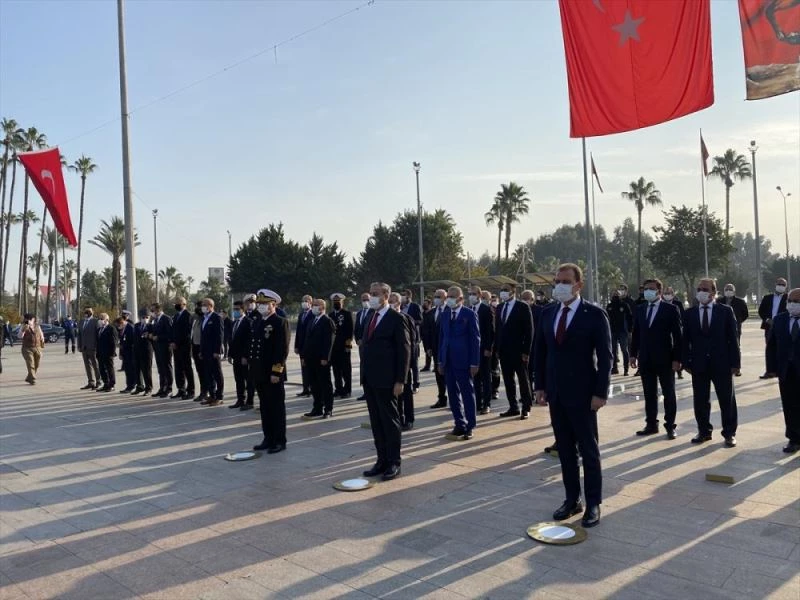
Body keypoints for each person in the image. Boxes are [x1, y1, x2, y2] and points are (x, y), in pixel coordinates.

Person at [534, 263, 611, 528]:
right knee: (565, 450)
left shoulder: (594, 315)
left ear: (579, 285)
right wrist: (540, 386)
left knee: (589, 450)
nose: (560, 286)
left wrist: (600, 393)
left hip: (584, 395)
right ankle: (572, 499)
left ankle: (593, 503)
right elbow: (540, 352)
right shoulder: (548, 313)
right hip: (556, 393)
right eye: (557, 281)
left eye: (565, 281)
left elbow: (606, 357)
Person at [361, 282, 411, 481]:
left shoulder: (396, 318)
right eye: (371, 293)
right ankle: (381, 460)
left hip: (387, 380)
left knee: (390, 422)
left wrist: (400, 380)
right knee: (376, 422)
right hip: (370, 379)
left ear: (386, 296)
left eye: (375, 294)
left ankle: (393, 462)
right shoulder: (370, 316)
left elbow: (404, 350)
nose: (371, 297)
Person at [683, 278, 741, 447]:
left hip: (722, 363)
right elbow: (685, 340)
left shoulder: (725, 311)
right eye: (699, 289)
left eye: (705, 289)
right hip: (699, 364)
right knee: (700, 400)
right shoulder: (690, 313)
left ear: (714, 292)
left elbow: (733, 338)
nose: (701, 292)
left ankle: (729, 433)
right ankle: (703, 431)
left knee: (726, 400)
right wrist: (686, 362)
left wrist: (735, 363)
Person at [629, 278, 683, 439]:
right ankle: (651, 424)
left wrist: (677, 358)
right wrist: (633, 354)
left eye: (651, 289)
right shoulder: (640, 309)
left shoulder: (670, 309)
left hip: (665, 359)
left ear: (659, 291)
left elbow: (678, 336)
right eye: (646, 289)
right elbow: (636, 333)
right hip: (646, 358)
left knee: (668, 393)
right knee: (649, 393)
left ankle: (670, 426)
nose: (648, 291)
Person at [248, 289, 291, 453]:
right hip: (259, 372)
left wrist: (276, 372)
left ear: (273, 305)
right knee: (265, 407)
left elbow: (282, 350)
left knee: (276, 408)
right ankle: (268, 438)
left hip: (272, 373)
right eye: (259, 304)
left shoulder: (280, 322)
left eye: (265, 304)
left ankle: (279, 441)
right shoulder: (258, 322)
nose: (261, 306)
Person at [439, 286, 480, 440]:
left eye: (452, 296)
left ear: (460, 299)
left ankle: (470, 425)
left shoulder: (469, 314)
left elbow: (475, 339)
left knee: (467, 393)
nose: (449, 299)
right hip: (448, 360)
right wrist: (440, 360)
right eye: (448, 296)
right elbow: (442, 338)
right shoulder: (445, 314)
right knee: (452, 393)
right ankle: (459, 423)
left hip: (464, 360)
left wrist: (474, 362)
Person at [766, 288, 800, 453]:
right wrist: (771, 368)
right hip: (786, 371)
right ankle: (794, 438)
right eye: (790, 301)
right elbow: (771, 346)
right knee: (789, 405)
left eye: (796, 301)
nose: (792, 304)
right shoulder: (779, 319)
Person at [495, 282, 534, 420]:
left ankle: (526, 407)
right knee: (508, 380)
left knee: (523, 380)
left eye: (506, 290)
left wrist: (526, 351)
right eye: (501, 289)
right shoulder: (500, 307)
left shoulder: (522, 307)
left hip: (519, 351)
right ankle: (513, 407)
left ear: (513, 291)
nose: (503, 292)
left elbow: (529, 331)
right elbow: (498, 329)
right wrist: (497, 349)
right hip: (504, 351)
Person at [302, 298, 335, 418]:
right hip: (311, 359)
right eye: (313, 305)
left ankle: (328, 409)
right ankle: (317, 408)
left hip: (321, 359)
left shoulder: (327, 321)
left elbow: (329, 341)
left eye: (316, 305)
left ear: (323, 307)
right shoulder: (312, 320)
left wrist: (325, 357)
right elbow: (307, 340)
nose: (314, 307)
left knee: (325, 385)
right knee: (314, 385)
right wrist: (304, 357)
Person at [390, 292, 416, 430]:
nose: (390, 304)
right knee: (395, 394)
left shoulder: (406, 318)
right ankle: (398, 417)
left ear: (399, 303)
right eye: (389, 301)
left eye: (393, 301)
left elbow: (412, 342)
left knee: (406, 393)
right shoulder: (387, 318)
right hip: (390, 364)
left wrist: (410, 363)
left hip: (404, 363)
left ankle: (409, 418)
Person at [469, 286, 494, 415]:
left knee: (485, 377)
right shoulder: (468, 309)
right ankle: (477, 403)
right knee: (475, 377)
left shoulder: (486, 309)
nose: (471, 296)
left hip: (484, 349)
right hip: (472, 350)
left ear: (479, 295)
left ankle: (487, 404)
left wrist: (488, 348)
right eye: (470, 294)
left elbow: (490, 330)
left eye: (473, 294)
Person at [422, 289, 448, 409]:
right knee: (439, 374)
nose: (436, 299)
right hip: (436, 349)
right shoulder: (430, 313)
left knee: (451, 375)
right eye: (435, 296)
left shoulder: (450, 311)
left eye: (439, 297)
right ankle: (442, 398)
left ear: (445, 298)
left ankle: (455, 398)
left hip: (449, 349)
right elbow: (426, 331)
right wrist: (427, 347)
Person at [759, 277, 788, 379]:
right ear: (775, 285)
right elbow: (761, 311)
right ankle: (770, 371)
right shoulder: (767, 298)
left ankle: (782, 370)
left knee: (782, 349)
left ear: (786, 287)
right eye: (779, 284)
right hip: (769, 326)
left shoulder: (788, 298)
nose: (781, 286)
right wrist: (767, 320)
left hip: (783, 327)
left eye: (783, 285)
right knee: (770, 348)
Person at [199, 297, 225, 406]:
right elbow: (203, 337)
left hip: (214, 352)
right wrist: (201, 351)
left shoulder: (217, 318)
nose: (202, 307)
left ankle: (219, 397)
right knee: (208, 374)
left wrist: (217, 351)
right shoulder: (204, 318)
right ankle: (212, 395)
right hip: (205, 352)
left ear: (210, 306)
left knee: (217, 374)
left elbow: (219, 336)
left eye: (204, 305)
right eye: (202, 305)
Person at [329, 292, 354, 399]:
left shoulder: (347, 314)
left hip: (344, 347)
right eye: (335, 302)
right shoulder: (330, 315)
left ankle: (347, 390)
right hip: (334, 347)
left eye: (338, 301)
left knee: (346, 370)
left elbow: (350, 331)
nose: (336, 303)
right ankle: (338, 389)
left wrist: (347, 346)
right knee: (336, 370)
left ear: (342, 302)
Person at [170, 296, 195, 400]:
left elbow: (187, 333)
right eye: (175, 303)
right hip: (176, 347)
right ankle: (181, 389)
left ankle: (191, 391)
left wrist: (177, 342)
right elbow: (173, 330)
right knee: (178, 368)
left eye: (178, 303)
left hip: (185, 346)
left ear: (184, 304)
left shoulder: (188, 315)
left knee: (187, 368)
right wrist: (172, 342)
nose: (176, 305)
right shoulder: (176, 316)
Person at [150, 303, 174, 398]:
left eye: (153, 310)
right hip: (157, 347)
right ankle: (162, 388)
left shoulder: (166, 319)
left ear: (158, 310)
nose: (152, 312)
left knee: (166, 368)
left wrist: (158, 337)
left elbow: (170, 334)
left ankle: (169, 388)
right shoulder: (155, 320)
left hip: (165, 347)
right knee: (161, 369)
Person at [401, 289, 423, 391]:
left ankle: (416, 384)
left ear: (409, 296)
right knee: (406, 362)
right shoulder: (401, 307)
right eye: (401, 295)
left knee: (414, 363)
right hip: (403, 338)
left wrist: (409, 322)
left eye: (404, 295)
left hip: (413, 338)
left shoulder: (415, 306)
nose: (402, 297)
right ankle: (407, 384)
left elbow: (420, 320)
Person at [606, 291, 633, 376]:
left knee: (624, 350)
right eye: (614, 294)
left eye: (617, 294)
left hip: (623, 331)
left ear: (620, 295)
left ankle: (626, 369)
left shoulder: (624, 305)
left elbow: (630, 317)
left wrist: (630, 330)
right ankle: (614, 368)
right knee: (613, 351)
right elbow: (606, 319)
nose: (615, 295)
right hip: (612, 331)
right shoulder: (609, 306)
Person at [294, 294, 314, 398]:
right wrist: (296, 345)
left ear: (311, 302)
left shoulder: (313, 314)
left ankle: (311, 388)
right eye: (303, 300)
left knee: (310, 367)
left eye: (306, 301)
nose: (304, 302)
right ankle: (305, 388)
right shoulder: (301, 315)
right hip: (302, 346)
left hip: (309, 346)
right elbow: (298, 331)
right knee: (304, 367)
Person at [353, 292, 372, 400]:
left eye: (367, 299)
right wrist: (357, 339)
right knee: (363, 368)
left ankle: (371, 392)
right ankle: (366, 392)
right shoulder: (359, 313)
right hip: (361, 346)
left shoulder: (373, 312)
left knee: (371, 368)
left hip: (370, 345)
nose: (365, 302)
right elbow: (356, 328)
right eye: (363, 300)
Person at [77, 307, 101, 390]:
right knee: (87, 366)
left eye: (89, 311)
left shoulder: (95, 321)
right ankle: (91, 382)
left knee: (95, 365)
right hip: (84, 347)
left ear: (92, 312)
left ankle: (98, 381)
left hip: (93, 347)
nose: (87, 313)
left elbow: (98, 335)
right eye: (86, 311)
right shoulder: (81, 322)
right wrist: (79, 345)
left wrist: (97, 346)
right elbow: (79, 334)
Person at [131, 308, 153, 396]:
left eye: (147, 317)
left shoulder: (151, 326)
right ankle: (139, 386)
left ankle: (148, 388)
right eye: (143, 317)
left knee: (146, 370)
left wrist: (149, 335)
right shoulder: (136, 325)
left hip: (147, 351)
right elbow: (134, 337)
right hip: (137, 350)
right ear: (140, 317)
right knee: (137, 369)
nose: (145, 319)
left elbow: (152, 338)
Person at [190, 301, 208, 402]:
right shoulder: (195, 319)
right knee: (200, 371)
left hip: (202, 347)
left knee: (205, 371)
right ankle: (203, 391)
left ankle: (206, 392)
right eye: (197, 307)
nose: (198, 309)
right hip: (195, 346)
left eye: (200, 307)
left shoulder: (205, 319)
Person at [96, 313, 118, 392]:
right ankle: (106, 383)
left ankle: (112, 385)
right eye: (99, 319)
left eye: (102, 319)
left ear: (107, 320)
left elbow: (114, 342)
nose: (100, 320)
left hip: (108, 353)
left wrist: (112, 353)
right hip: (100, 353)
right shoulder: (99, 329)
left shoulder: (111, 328)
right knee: (102, 369)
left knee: (109, 369)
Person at [20, 313, 45, 384]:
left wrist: (42, 339)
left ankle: (29, 377)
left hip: (37, 347)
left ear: (33, 319)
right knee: (30, 363)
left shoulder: (37, 326)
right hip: (27, 348)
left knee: (37, 364)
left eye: (29, 320)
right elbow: (19, 336)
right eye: (26, 320)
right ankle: (32, 379)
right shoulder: (23, 326)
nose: (27, 321)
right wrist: (23, 330)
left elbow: (41, 334)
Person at [117, 315, 137, 393]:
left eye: (119, 324)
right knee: (127, 370)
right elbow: (122, 341)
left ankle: (132, 385)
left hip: (130, 353)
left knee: (131, 370)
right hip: (125, 353)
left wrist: (124, 345)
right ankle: (128, 385)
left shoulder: (130, 328)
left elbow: (133, 341)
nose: (119, 326)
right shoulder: (123, 329)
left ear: (123, 322)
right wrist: (121, 353)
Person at [420, 299, 433, 371]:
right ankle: (427, 366)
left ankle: (436, 366)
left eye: (426, 303)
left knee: (434, 350)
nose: (424, 305)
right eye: (424, 303)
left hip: (431, 335)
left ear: (430, 304)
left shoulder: (432, 313)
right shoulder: (423, 314)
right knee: (426, 350)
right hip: (425, 335)